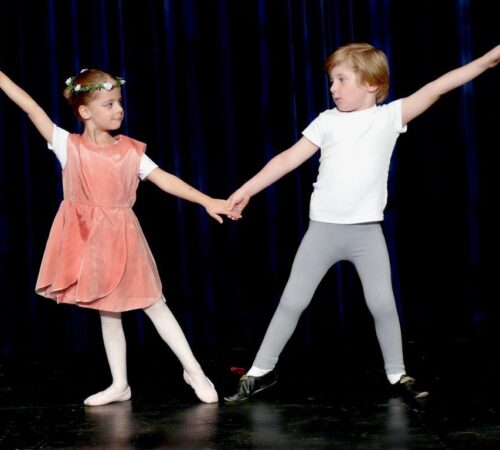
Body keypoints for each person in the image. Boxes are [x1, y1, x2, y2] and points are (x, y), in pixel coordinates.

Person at [225, 43, 500, 402]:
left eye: (341, 80)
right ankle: (260, 371)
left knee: (383, 305)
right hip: (322, 232)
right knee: (292, 301)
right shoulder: (327, 121)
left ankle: (397, 375)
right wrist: (247, 189)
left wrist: (488, 60)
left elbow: (437, 87)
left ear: (371, 83)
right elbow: (287, 159)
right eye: (331, 81)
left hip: (366, 235)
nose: (333, 88)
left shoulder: (389, 117)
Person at [0, 68, 241, 406]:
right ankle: (120, 384)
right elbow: (30, 107)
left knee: (155, 305)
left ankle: (194, 371)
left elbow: (164, 179)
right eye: (109, 104)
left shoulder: (130, 151)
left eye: (118, 102)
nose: (118, 110)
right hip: (90, 244)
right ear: (85, 112)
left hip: (124, 241)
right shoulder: (68, 145)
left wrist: (206, 200)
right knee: (108, 313)